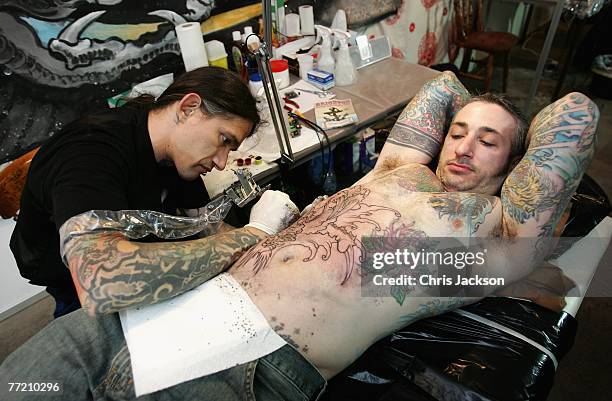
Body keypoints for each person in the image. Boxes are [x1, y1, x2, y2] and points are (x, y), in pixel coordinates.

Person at [0, 72, 599, 401]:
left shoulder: (496, 231)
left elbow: (576, 113)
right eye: (458, 133)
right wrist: (469, 104)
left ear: (515, 163)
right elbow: (441, 86)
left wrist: (507, 120)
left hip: (249, 363)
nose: (464, 146)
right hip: (157, 309)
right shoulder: (399, 171)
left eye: (488, 141)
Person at [8, 66, 299, 318]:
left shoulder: (178, 156)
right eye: (223, 139)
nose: (222, 162)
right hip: (73, 282)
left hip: (133, 248)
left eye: (230, 149)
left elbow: (205, 227)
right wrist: (254, 234)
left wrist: (279, 243)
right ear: (188, 108)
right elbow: (101, 281)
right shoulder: (90, 151)